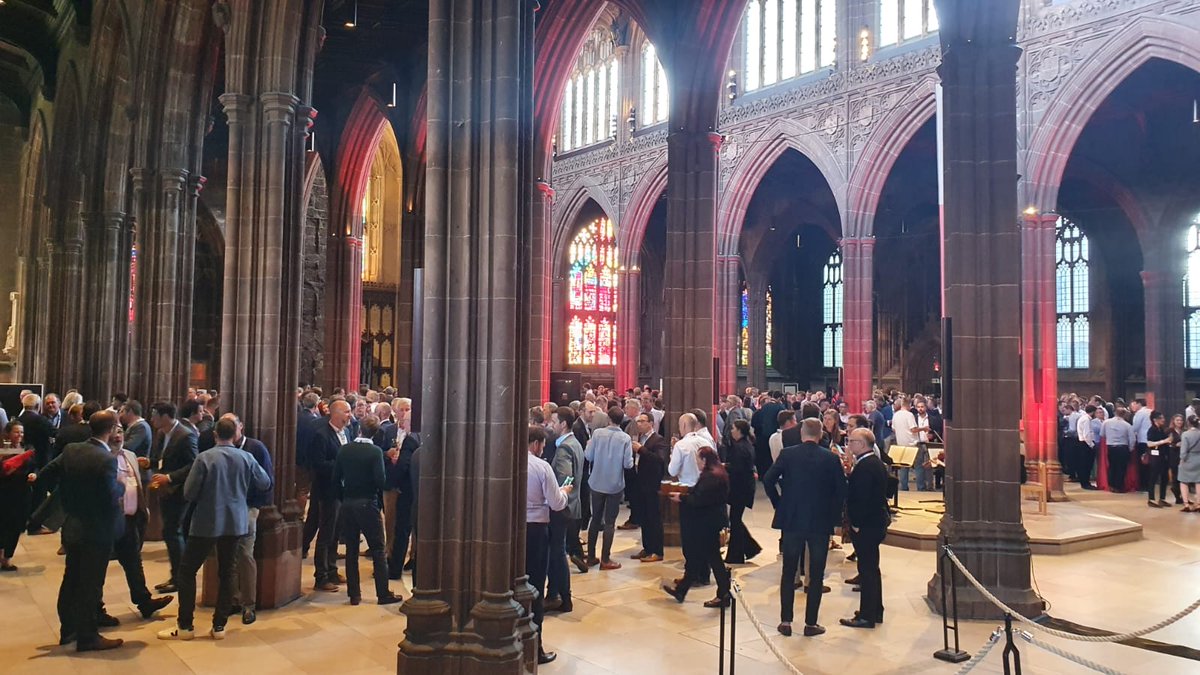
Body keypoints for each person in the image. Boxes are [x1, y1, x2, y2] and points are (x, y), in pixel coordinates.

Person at [158, 417, 271, 641]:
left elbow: (189, 492)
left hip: (207, 521)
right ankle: (219, 625)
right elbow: (265, 482)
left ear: (215, 434)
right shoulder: (246, 457)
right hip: (236, 521)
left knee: (187, 571)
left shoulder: (205, 458)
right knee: (227, 572)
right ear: (235, 434)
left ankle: (185, 626)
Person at [764, 417, 847, 638]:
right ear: (820, 434)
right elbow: (841, 491)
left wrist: (779, 504)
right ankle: (811, 623)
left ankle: (785, 621)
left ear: (802, 433)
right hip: (820, 521)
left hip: (792, 519)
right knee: (817, 574)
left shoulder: (788, 454)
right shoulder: (830, 458)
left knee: (788, 570)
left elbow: (768, 479)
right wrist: (833, 517)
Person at [52, 411, 126, 651]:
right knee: (91, 583)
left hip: (73, 524)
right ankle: (88, 636)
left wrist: (66, 500)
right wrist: (121, 486)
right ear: (112, 430)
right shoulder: (106, 460)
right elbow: (110, 496)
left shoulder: (72, 449)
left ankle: (68, 630)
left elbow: (47, 473)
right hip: (96, 530)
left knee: (72, 579)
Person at [334, 415, 402, 606]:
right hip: (367, 503)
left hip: (348, 503)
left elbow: (336, 478)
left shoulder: (345, 449)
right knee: (378, 549)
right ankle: (383, 593)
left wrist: (344, 497)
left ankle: (354, 594)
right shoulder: (374, 452)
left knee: (351, 550)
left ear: (359, 429)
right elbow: (380, 481)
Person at [525, 426, 573, 665]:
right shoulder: (541, 467)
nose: (543, 449)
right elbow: (556, 503)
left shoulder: (506, 463)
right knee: (535, 584)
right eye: (542, 445)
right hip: (536, 530)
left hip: (510, 532)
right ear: (536, 444)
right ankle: (535, 647)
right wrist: (564, 492)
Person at [661, 447, 731, 609]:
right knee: (700, 558)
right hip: (712, 521)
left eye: (698, 460)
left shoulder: (710, 476)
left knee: (711, 558)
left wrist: (682, 498)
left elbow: (699, 500)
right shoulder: (717, 472)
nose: (697, 463)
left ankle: (724, 594)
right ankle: (683, 590)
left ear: (704, 460)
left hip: (707, 523)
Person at [224, 414, 274, 624]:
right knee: (228, 556)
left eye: (232, 426)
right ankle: (232, 599)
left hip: (247, 507)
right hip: (225, 508)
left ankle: (248, 605)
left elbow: (267, 481)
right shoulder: (220, 449)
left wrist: (254, 505)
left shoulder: (255, 448)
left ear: (241, 427)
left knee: (245, 553)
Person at [840, 428, 889, 629]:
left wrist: (857, 524)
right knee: (871, 569)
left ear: (861, 444)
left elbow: (862, 498)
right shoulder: (872, 462)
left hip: (867, 525)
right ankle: (875, 610)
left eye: (851, 441)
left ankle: (867, 616)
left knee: (867, 571)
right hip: (874, 523)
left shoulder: (867, 466)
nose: (848, 444)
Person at [148, 401, 199, 593]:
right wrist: (150, 463)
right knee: (169, 532)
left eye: (154, 415)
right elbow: (164, 459)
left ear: (165, 416)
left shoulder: (185, 435)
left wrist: (169, 477)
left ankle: (181, 578)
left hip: (178, 491)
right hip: (165, 491)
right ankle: (176, 576)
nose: (152, 419)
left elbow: (193, 464)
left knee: (173, 532)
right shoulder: (163, 434)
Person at [583, 407, 633, 570]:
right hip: (614, 484)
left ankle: (591, 557)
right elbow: (628, 464)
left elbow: (588, 456)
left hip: (597, 482)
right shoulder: (625, 438)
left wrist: (589, 447)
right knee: (610, 523)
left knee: (595, 519)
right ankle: (605, 559)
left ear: (608, 419)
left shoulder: (597, 434)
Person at [310, 399, 351, 591]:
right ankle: (321, 576)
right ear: (335, 414)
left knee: (336, 532)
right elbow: (317, 464)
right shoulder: (322, 435)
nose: (349, 415)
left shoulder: (346, 432)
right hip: (327, 491)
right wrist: (341, 466)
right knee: (326, 533)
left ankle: (332, 569)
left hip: (342, 491)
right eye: (346, 412)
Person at [546, 407, 584, 610]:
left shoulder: (564, 448)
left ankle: (563, 597)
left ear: (563, 424)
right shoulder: (574, 442)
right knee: (556, 552)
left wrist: (557, 496)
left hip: (562, 508)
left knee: (558, 553)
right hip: (572, 504)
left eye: (554, 422)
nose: (550, 425)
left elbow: (566, 478)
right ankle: (554, 593)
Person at [670, 413, 714, 587]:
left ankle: (692, 575)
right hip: (706, 490)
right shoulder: (706, 441)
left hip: (688, 492)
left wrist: (673, 452)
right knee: (703, 535)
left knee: (689, 537)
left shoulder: (681, 445)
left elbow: (672, 471)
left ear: (684, 426)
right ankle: (704, 573)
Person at [630, 412, 667, 563]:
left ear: (651, 423)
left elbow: (659, 459)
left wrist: (641, 450)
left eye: (642, 421)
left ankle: (657, 551)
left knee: (653, 518)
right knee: (644, 517)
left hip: (652, 485)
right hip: (640, 483)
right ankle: (647, 548)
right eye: (638, 421)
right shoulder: (640, 438)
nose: (639, 424)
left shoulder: (658, 440)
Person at [724, 419, 761, 564]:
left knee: (735, 519)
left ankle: (737, 555)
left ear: (739, 431)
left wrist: (725, 467)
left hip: (740, 488)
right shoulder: (745, 444)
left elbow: (737, 469)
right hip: (743, 487)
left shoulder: (739, 447)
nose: (731, 431)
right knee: (735, 519)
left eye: (733, 428)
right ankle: (750, 548)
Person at [0, 421, 34, 571]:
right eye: (16, 432)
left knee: (16, 526)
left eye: (22, 432)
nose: (19, 435)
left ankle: (7, 558)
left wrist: (34, 474)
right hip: (4, 493)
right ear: (8, 433)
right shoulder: (2, 450)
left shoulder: (28, 448)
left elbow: (34, 466)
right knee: (2, 525)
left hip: (21, 494)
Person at [1100, 404, 1133, 492]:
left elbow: (1102, 434)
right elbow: (1132, 439)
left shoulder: (1106, 422)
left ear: (1115, 413)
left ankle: (1111, 485)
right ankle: (1119, 487)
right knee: (1121, 468)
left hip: (1111, 447)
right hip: (1123, 447)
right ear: (1124, 414)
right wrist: (1130, 449)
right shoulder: (1127, 425)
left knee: (1112, 466)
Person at [1146, 411, 1172, 508]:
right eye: (1161, 418)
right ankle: (1151, 499)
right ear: (1155, 420)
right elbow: (1149, 443)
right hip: (1155, 456)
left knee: (1165, 477)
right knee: (1153, 477)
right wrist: (1164, 441)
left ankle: (1162, 498)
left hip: (1163, 456)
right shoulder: (1152, 430)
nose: (1163, 420)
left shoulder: (1161, 429)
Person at [1178, 416, 1200, 512]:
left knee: (1183, 481)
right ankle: (1198, 504)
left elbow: (1183, 450)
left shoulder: (1185, 434)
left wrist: (1182, 459)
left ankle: (1186, 504)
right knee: (1198, 482)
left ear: (1188, 423)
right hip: (1199, 459)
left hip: (1188, 459)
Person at [1169, 414, 1185, 505]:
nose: (1179, 422)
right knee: (1175, 475)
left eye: (1181, 420)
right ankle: (1177, 496)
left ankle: (1183, 495)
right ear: (1174, 421)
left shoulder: (1184, 431)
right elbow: (1168, 443)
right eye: (1177, 420)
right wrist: (1175, 445)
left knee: (1183, 476)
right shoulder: (1170, 431)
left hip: (1183, 456)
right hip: (1173, 455)